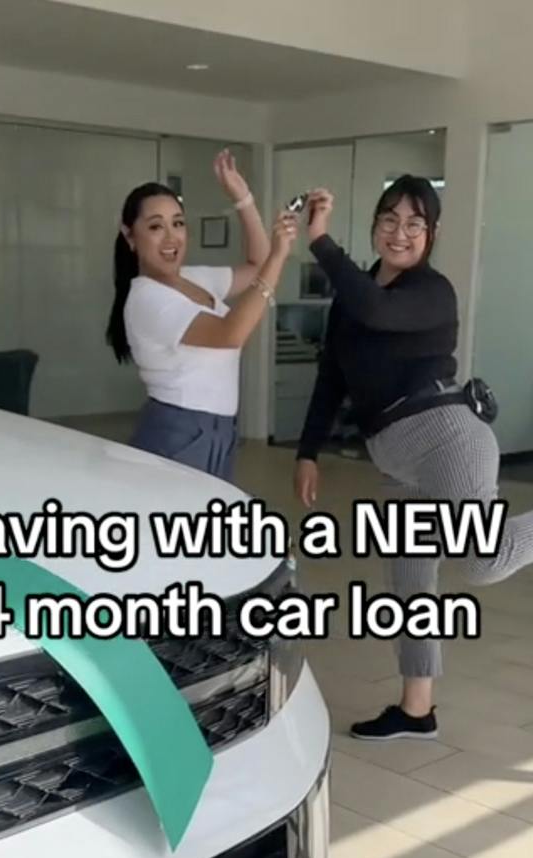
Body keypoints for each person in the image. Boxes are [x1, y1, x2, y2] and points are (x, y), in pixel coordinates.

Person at [294, 177, 533, 741]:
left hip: (445, 437)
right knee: (409, 582)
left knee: (482, 560)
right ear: (375, 225)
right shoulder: (351, 299)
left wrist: (321, 243)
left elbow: (378, 310)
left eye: (414, 223)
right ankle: (417, 708)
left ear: (432, 234)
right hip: (396, 458)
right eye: (388, 220)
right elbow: (331, 376)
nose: (399, 233)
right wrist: (307, 452)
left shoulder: (433, 291)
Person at [107, 150, 297, 481]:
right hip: (180, 431)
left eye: (178, 223)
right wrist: (279, 257)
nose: (171, 238)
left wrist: (243, 199)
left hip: (217, 429)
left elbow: (257, 265)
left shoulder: (193, 278)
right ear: (129, 236)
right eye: (155, 226)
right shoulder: (145, 298)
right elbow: (230, 334)